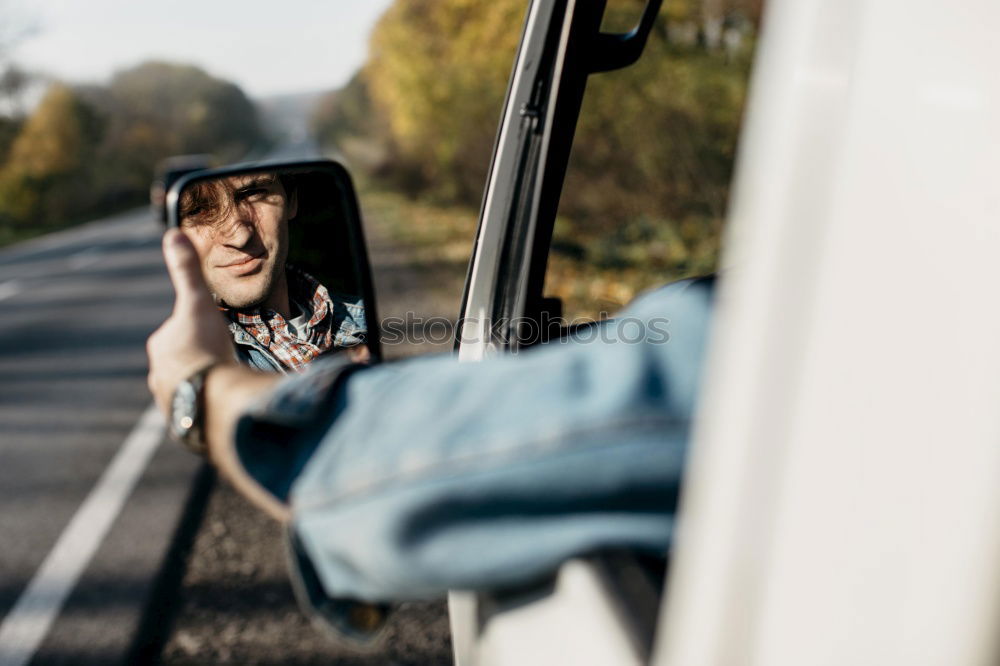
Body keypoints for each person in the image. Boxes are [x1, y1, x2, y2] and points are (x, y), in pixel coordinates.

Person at [147, 228, 713, 602]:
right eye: (201, 212)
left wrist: (206, 392)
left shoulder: (359, 318)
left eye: (256, 195)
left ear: (290, 202)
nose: (241, 232)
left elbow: (371, 481)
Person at [177, 171, 368, 372]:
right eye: (197, 211)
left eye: (254, 193)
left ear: (291, 199)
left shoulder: (367, 319)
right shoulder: (189, 360)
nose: (239, 237)